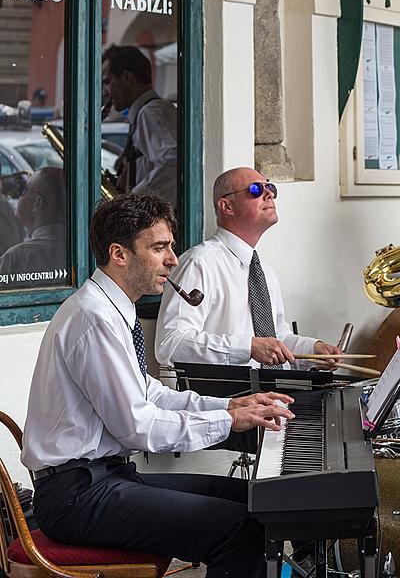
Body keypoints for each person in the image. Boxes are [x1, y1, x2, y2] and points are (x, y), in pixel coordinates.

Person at [21, 193, 295, 578]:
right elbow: (138, 426)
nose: (173, 259)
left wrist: (230, 406)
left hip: (104, 477)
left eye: (171, 246)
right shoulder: (95, 318)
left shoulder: (114, 307)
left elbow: (151, 393)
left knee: (254, 501)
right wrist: (229, 423)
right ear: (120, 254)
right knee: (240, 528)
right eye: (159, 248)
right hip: (76, 496)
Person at [155, 166, 341, 369]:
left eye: (270, 187)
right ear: (227, 206)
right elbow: (171, 343)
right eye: (255, 190)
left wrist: (313, 351)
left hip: (272, 396)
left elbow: (277, 338)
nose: (269, 194)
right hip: (224, 398)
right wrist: (247, 348)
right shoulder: (199, 263)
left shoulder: (265, 272)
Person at [102, 45, 177, 206]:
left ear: (126, 77)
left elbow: (173, 163)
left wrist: (132, 202)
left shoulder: (150, 113)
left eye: (107, 82)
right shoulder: (147, 112)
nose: (106, 92)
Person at [0, 167, 66, 287]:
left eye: (23, 191)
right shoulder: (81, 250)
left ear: (37, 202)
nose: (19, 196)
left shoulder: (15, 259)